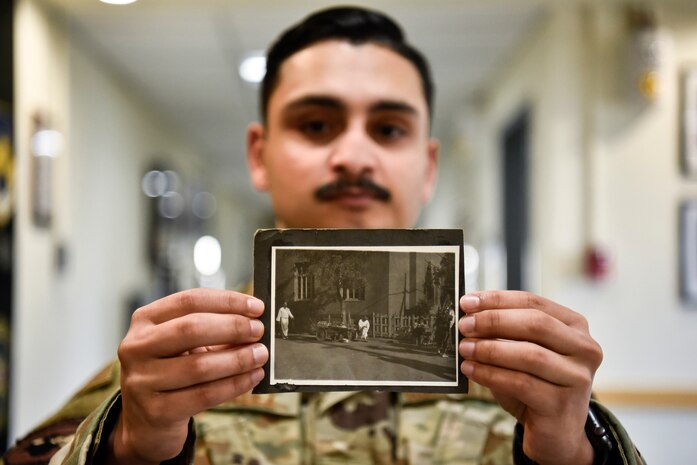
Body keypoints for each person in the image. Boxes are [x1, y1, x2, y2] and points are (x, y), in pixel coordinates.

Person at [4, 6, 645, 465]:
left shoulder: (523, 385)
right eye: (316, 124)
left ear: (427, 166)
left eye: (389, 129)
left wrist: (576, 450)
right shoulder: (166, 373)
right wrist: (130, 447)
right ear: (258, 154)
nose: (354, 156)